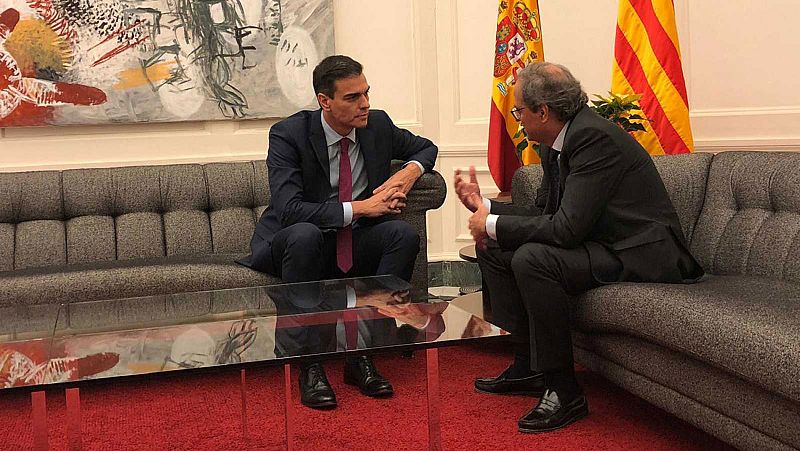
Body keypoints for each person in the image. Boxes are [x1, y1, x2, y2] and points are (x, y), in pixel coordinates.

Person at [454, 62, 703, 433]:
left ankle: (564, 390)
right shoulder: (557, 141)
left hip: (639, 251)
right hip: (602, 241)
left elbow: (566, 230)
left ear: (543, 112)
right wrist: (486, 209)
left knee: (533, 259)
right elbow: (546, 214)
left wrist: (491, 223)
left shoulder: (592, 138)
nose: (518, 120)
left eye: (519, 112)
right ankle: (528, 366)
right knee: (492, 246)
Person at [238, 55, 438, 409]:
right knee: (305, 235)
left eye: (366, 93)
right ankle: (308, 364)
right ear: (324, 101)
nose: (365, 104)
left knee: (402, 236)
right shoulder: (289, 134)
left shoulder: (377, 125)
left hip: (351, 241)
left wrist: (408, 173)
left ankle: (362, 355)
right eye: (352, 97)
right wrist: (362, 208)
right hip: (296, 242)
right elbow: (289, 209)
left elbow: (426, 148)